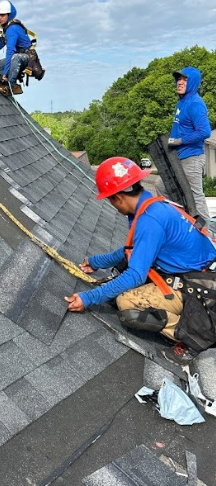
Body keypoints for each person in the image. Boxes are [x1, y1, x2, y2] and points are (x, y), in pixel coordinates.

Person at [65, 156, 216, 365]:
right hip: (201, 274)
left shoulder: (149, 220)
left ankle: (196, 334)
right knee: (124, 279)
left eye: (109, 199)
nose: (112, 205)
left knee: (126, 303)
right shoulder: (154, 205)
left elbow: (136, 274)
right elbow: (134, 250)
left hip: (201, 289)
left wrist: (89, 298)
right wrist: (97, 261)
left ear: (118, 197)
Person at [158, 67, 211, 226]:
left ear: (193, 82)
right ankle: (179, 223)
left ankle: (208, 236)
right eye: (178, 79)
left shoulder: (195, 104)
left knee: (195, 196)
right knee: (162, 186)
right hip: (178, 157)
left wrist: (179, 141)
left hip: (191, 157)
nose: (180, 82)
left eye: (185, 80)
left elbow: (205, 131)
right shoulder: (182, 102)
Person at [0, 0, 41, 96]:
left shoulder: (12, 30)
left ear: (9, 15)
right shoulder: (7, 29)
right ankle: (13, 85)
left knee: (15, 57)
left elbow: (10, 51)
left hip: (27, 58)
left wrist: (4, 74)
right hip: (18, 58)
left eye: (3, 15)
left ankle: (10, 86)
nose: (0, 18)